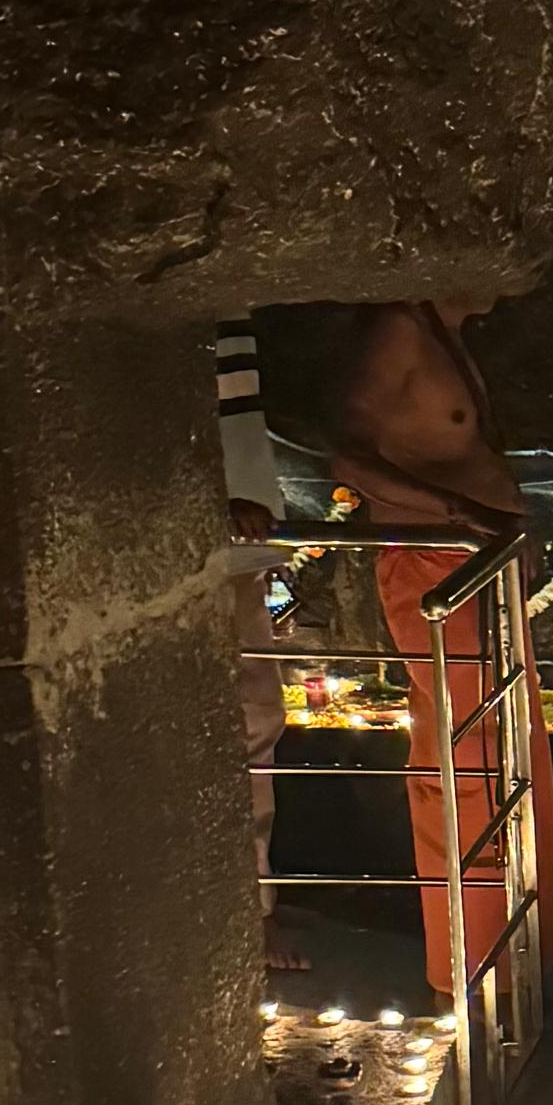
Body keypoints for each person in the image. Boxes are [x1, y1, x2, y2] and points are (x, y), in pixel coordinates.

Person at [325, 298, 553, 1000]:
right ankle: (470, 971)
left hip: (478, 565)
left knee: (511, 752)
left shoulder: (443, 332)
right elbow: (347, 454)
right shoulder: (399, 331)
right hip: (437, 566)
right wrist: (460, 513)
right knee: (468, 759)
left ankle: (516, 955)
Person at [213, 318, 307, 976]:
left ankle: (256, 902)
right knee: (249, 724)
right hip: (221, 539)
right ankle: (252, 908)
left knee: (257, 722)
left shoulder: (229, 316)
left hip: (239, 537)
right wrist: (210, 506)